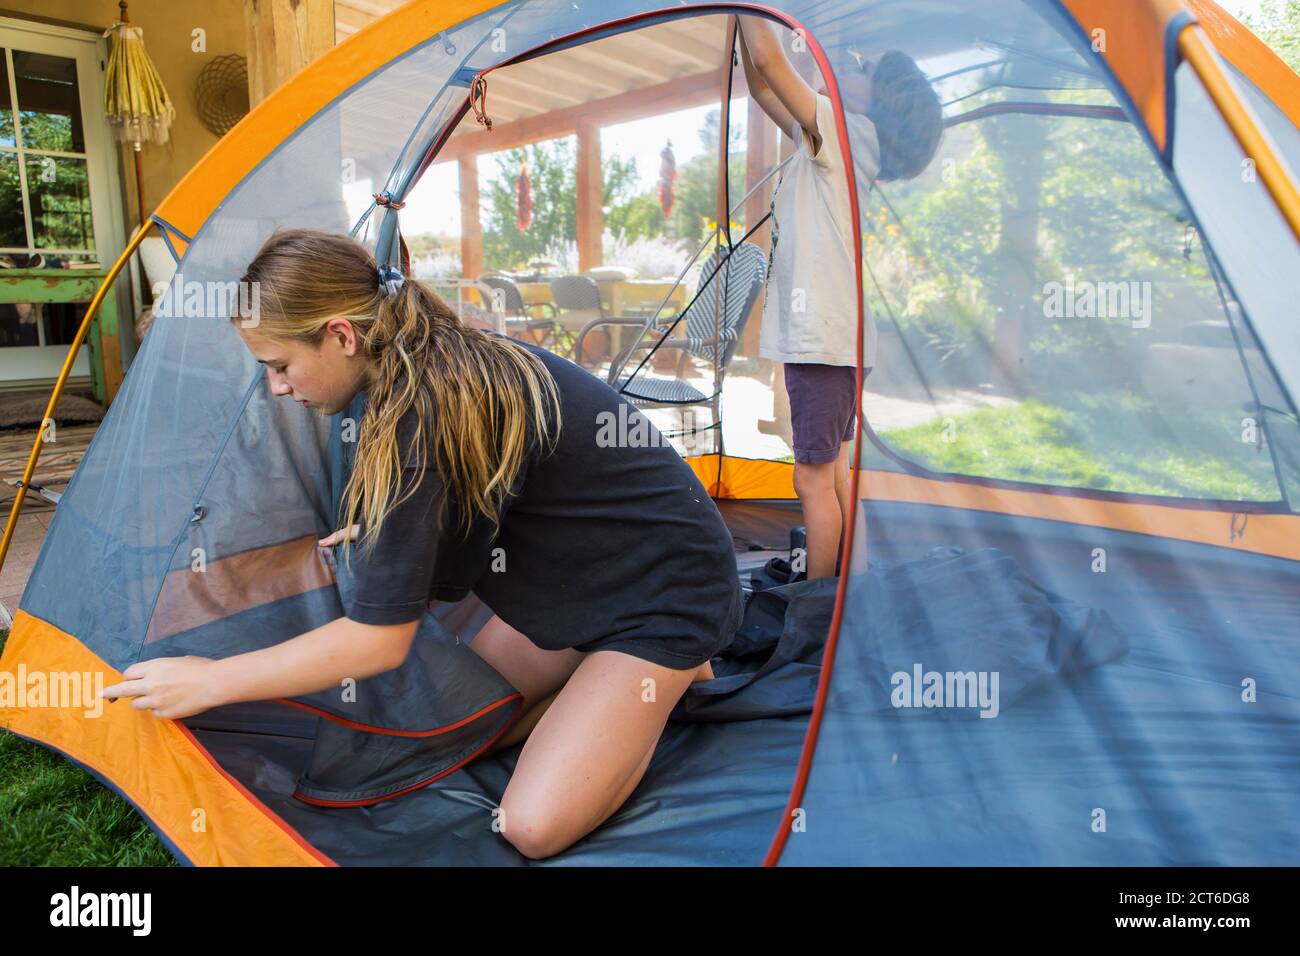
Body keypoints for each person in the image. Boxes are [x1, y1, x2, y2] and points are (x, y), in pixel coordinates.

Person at [102, 228, 745, 861]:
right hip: (582, 582)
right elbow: (473, 487)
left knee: (531, 825)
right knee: (465, 725)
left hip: (668, 593)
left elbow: (377, 642)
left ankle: (671, 668)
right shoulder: (416, 367)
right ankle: (600, 676)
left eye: (279, 366)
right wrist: (391, 528)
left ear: (341, 336)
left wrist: (211, 679)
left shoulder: (424, 408)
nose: (278, 387)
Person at [737, 17, 942, 581]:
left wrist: (752, 14)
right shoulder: (837, 136)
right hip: (837, 339)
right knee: (836, 472)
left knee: (810, 478)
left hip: (823, 341)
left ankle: (818, 601)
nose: (849, 66)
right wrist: (740, 16)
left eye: (864, 70)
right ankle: (853, 583)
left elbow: (773, 63)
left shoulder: (845, 132)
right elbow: (761, 83)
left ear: (881, 102)